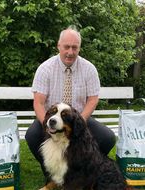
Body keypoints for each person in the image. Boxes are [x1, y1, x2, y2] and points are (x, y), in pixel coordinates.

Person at [25, 26, 116, 181]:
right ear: (58, 46)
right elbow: (39, 103)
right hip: (51, 119)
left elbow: (92, 99)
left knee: (107, 138)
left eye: (75, 47)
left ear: (79, 48)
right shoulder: (45, 69)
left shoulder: (89, 69)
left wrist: (80, 122)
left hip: (78, 118)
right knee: (32, 135)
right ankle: (52, 174)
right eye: (66, 47)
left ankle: (86, 168)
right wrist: (46, 125)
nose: (70, 52)